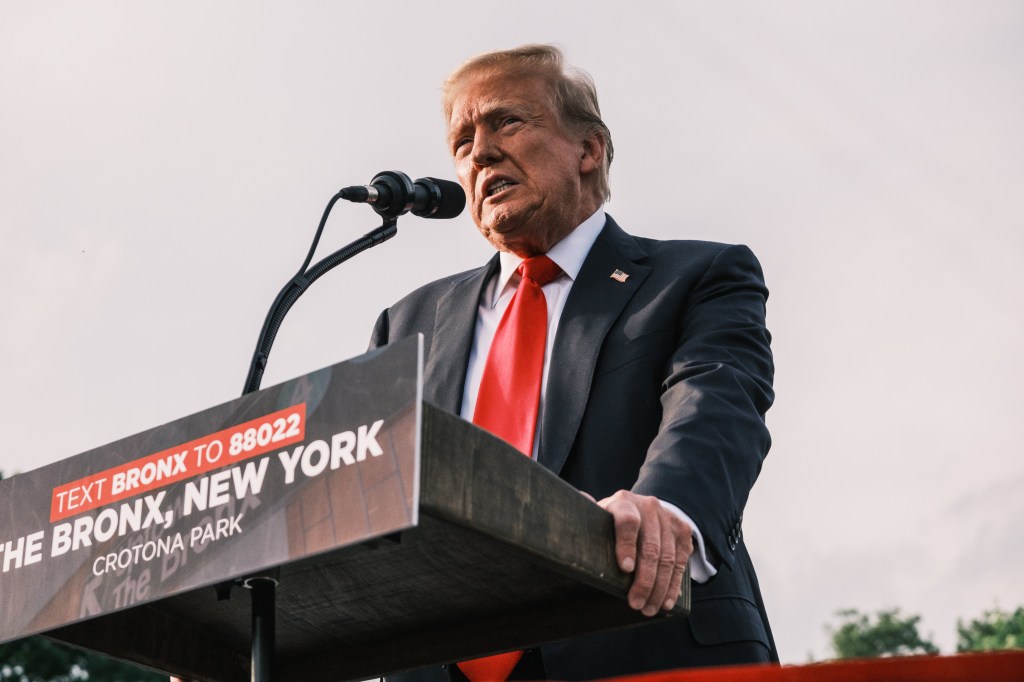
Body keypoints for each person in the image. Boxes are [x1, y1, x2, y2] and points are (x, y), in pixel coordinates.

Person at [370, 44, 777, 681]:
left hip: (639, 638)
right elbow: (366, 506)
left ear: (589, 149)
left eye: (506, 122)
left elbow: (715, 402)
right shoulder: (407, 326)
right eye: (461, 141)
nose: (479, 154)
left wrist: (664, 510)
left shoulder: (696, 277)